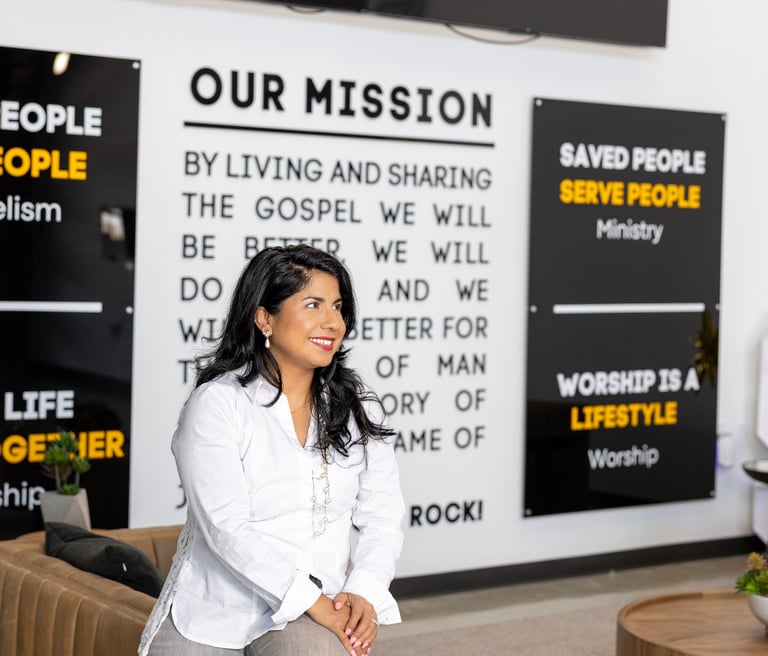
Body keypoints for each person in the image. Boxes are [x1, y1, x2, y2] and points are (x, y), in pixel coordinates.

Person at [139, 245, 405, 656]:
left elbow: (383, 517)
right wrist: (315, 603)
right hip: (214, 611)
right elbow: (226, 528)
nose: (332, 322)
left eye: (337, 306)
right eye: (313, 304)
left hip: (311, 610)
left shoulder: (359, 407)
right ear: (265, 317)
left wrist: (363, 592)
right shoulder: (218, 403)